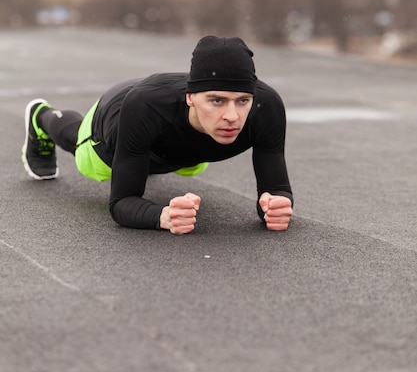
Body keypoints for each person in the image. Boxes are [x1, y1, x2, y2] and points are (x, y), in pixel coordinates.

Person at [21, 35, 293, 234]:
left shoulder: (265, 107)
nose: (232, 116)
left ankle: (140, 158)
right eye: (217, 101)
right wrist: (162, 216)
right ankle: (41, 117)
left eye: (242, 101)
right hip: (120, 117)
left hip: (177, 143)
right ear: (191, 98)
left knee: (188, 165)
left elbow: (277, 190)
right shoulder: (145, 109)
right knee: (87, 159)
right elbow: (121, 203)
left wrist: (275, 205)